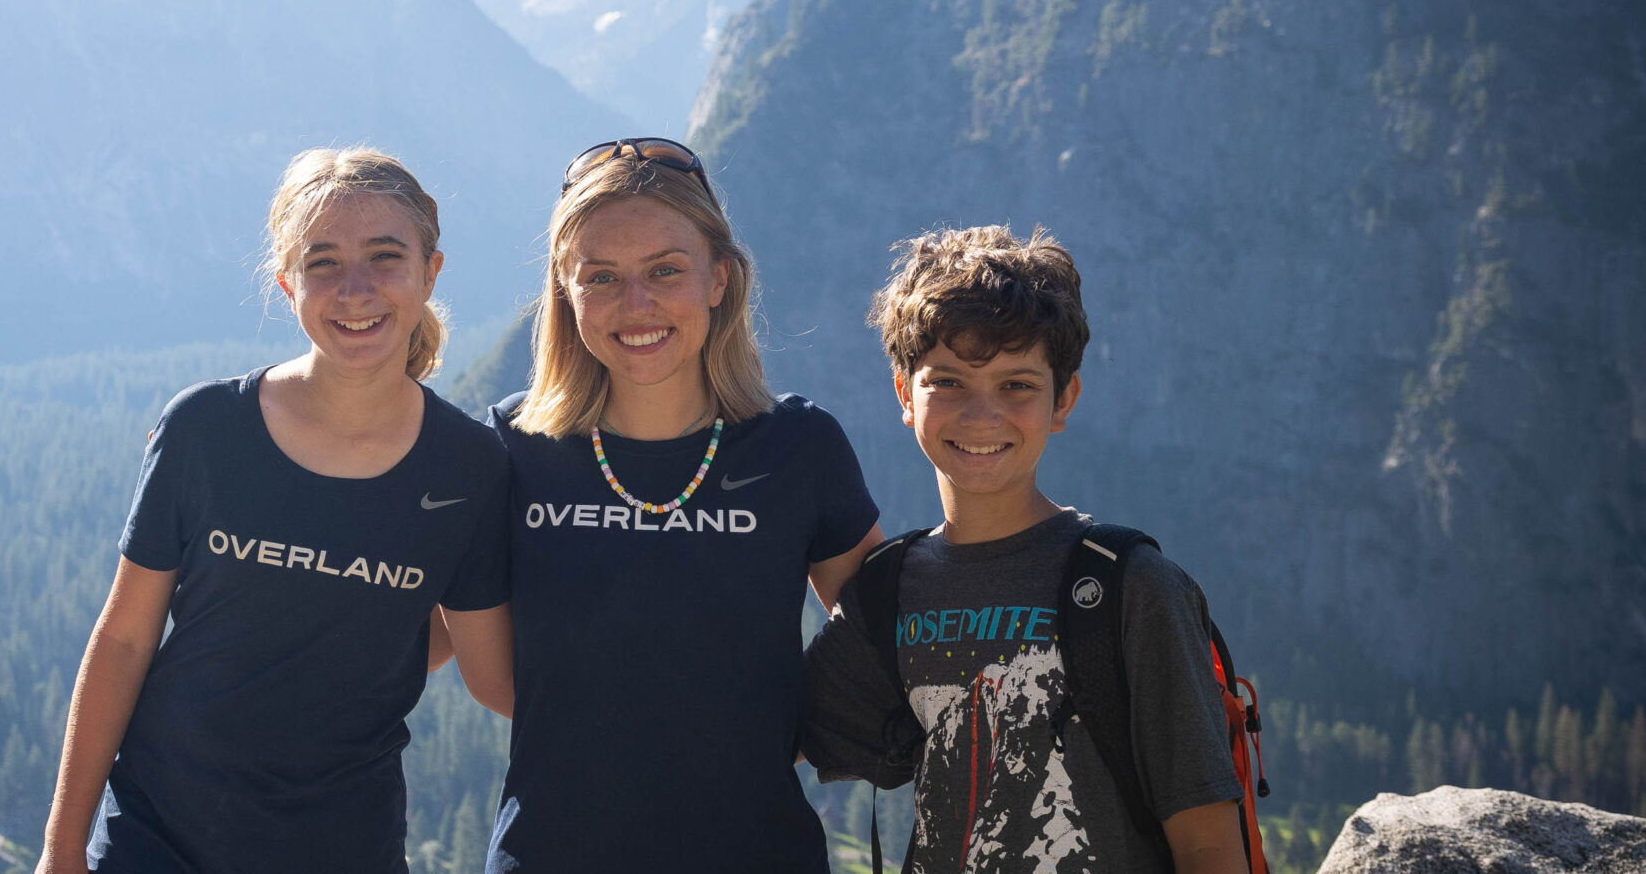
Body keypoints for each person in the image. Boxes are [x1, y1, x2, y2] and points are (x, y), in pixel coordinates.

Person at [36, 147, 514, 874]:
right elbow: (125, 641)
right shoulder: (204, 428)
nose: (355, 290)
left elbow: (481, 664)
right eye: (323, 262)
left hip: (343, 845)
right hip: (156, 839)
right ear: (287, 281)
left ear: (430, 272)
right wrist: (61, 852)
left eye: (385, 256)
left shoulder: (470, 467)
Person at [471, 137, 884, 873]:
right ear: (565, 291)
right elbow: (497, 679)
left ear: (719, 277)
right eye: (601, 276)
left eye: (665, 269)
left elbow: (881, 631)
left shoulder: (799, 445)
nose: (638, 304)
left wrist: (771, 722)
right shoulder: (509, 450)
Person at [799, 225, 1246, 874]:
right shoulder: (892, 587)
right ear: (904, 393)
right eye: (947, 381)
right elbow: (762, 728)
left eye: (1016, 385)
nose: (982, 415)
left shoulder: (1130, 586)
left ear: (1064, 398)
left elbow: (1209, 844)